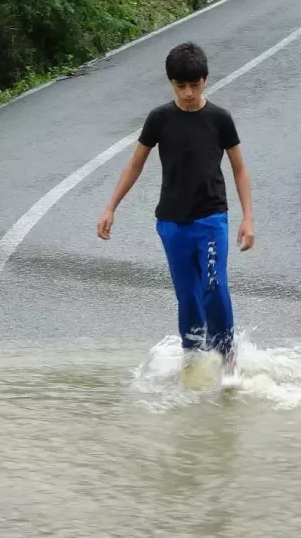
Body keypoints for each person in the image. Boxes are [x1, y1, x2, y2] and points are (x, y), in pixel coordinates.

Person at [96, 42, 254, 380]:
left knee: (214, 288)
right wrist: (111, 207)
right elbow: (135, 164)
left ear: (205, 80)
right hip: (172, 223)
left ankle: (228, 361)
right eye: (180, 86)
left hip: (211, 219)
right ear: (171, 84)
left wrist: (248, 218)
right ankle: (194, 361)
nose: (187, 93)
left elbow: (240, 169)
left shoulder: (219, 119)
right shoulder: (159, 119)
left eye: (193, 85)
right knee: (188, 297)